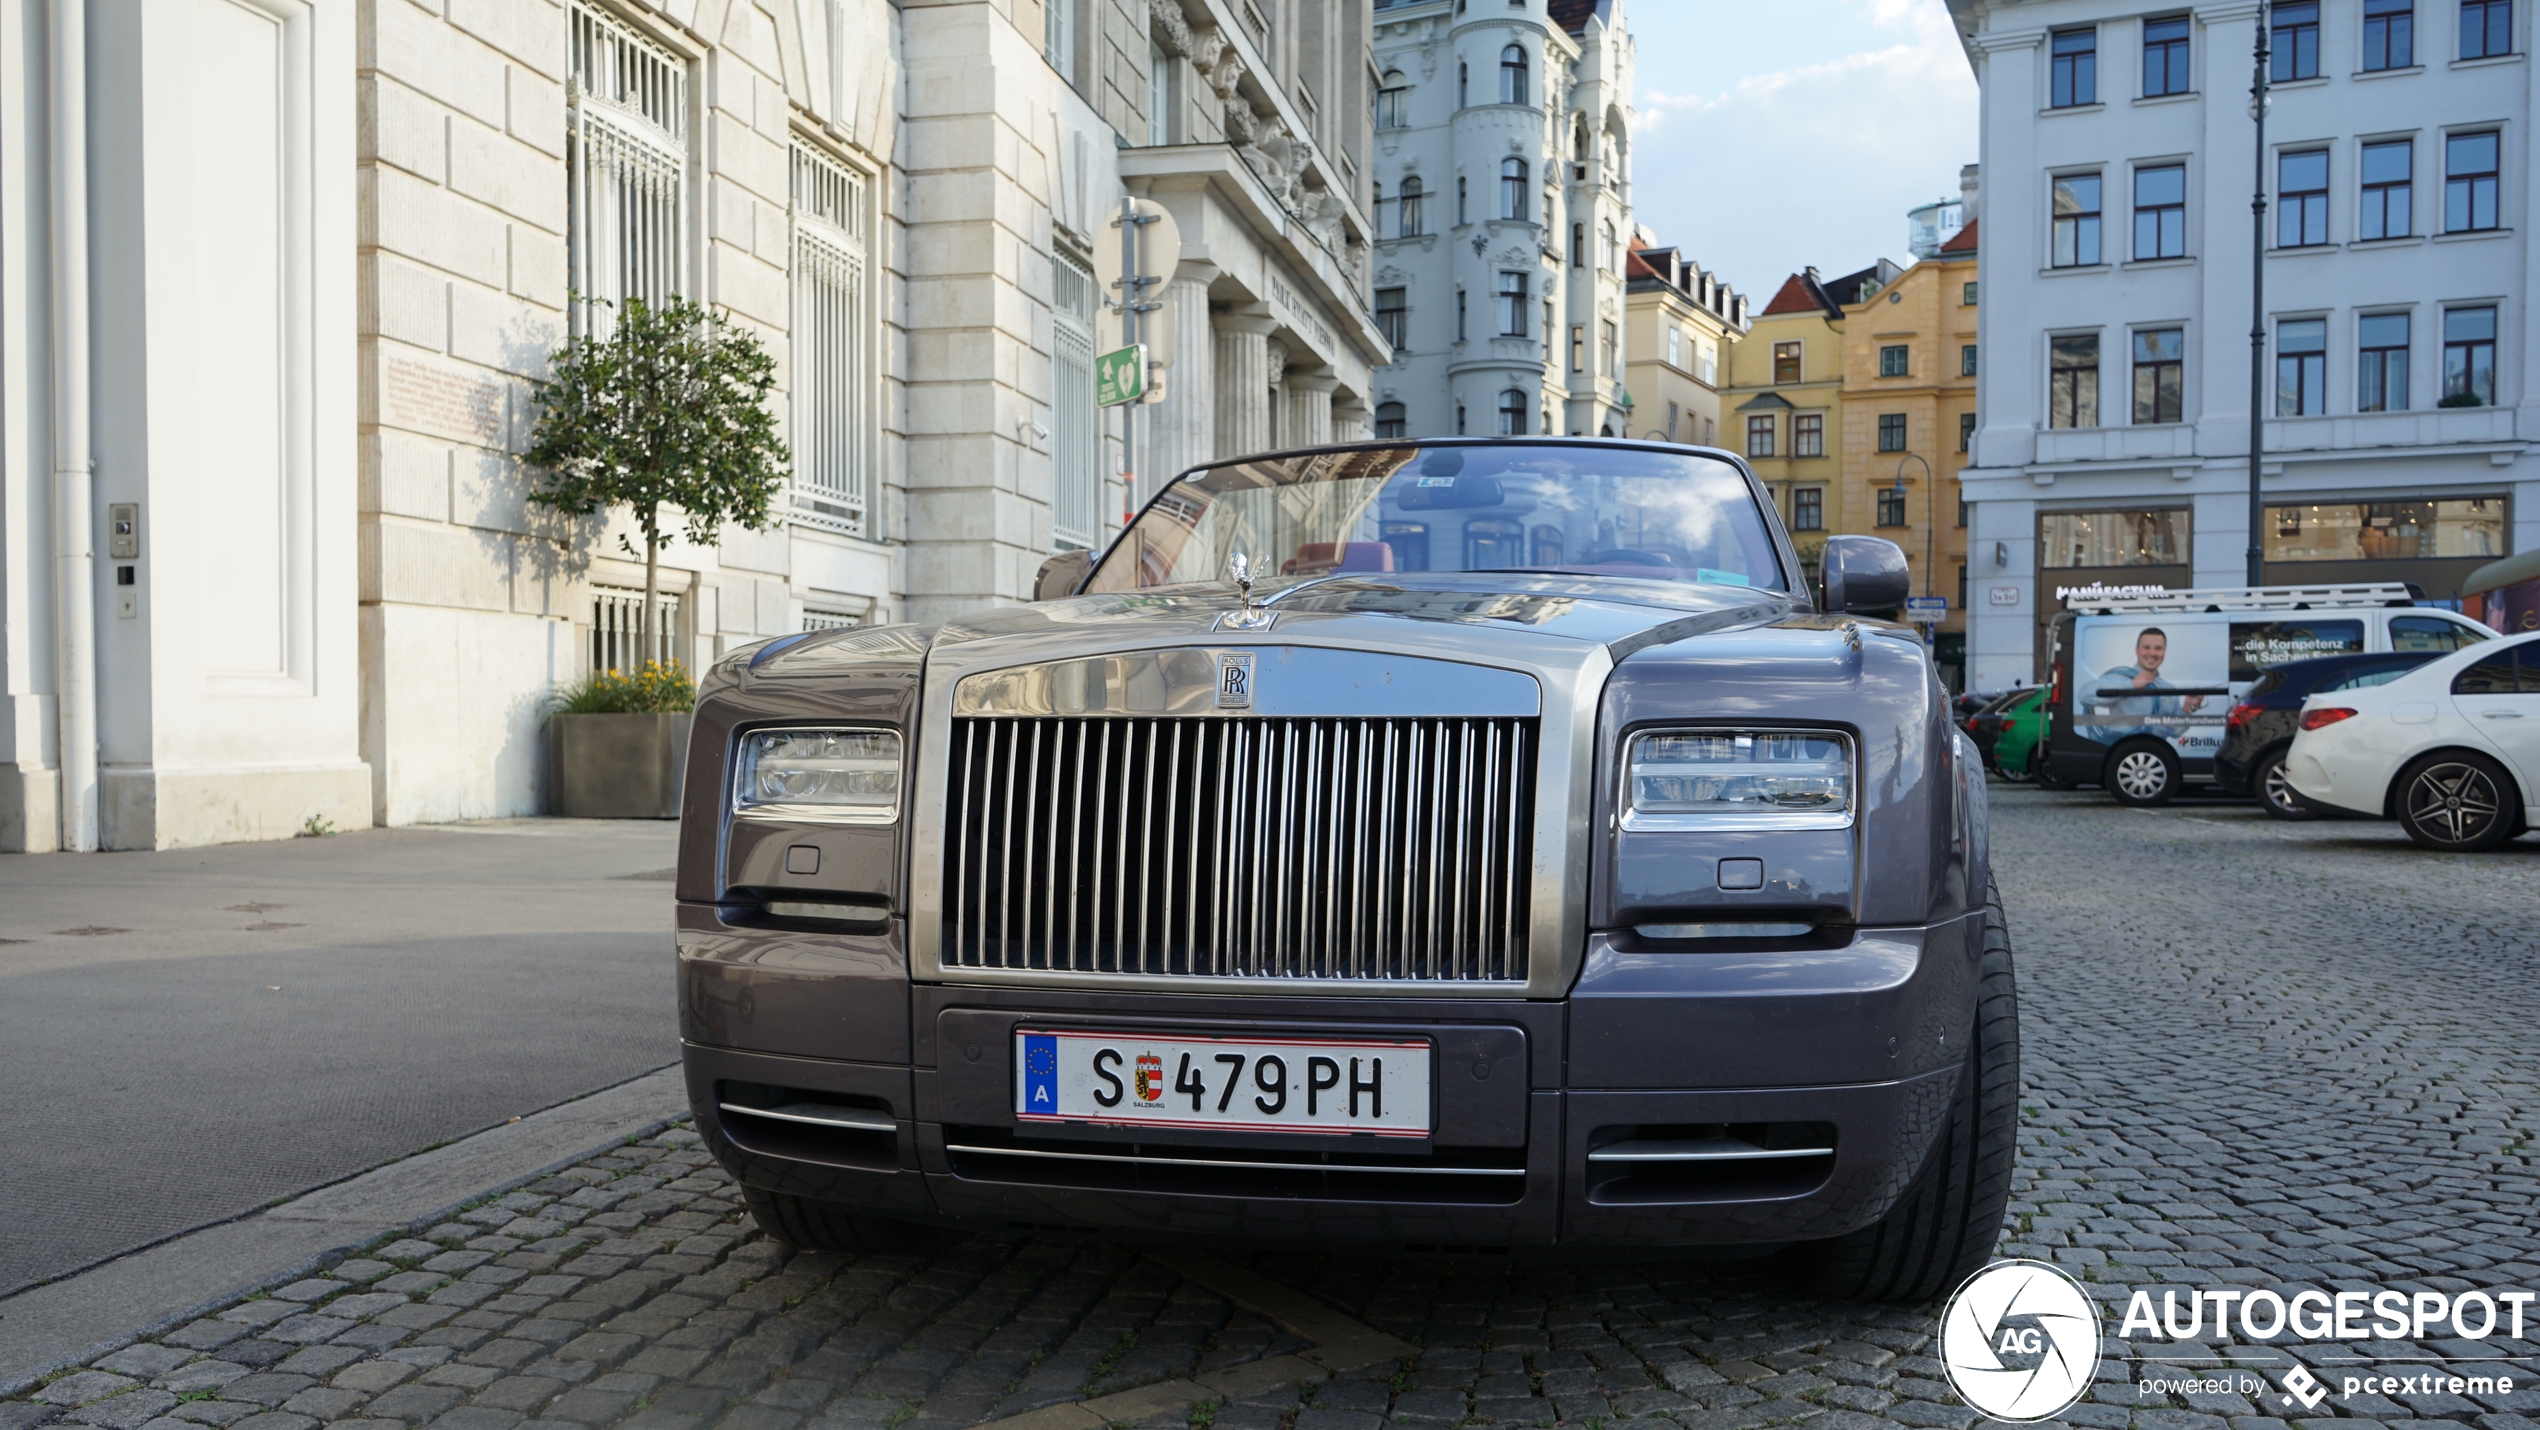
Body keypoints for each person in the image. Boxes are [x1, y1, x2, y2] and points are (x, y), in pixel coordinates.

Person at [2079, 627, 2204, 743]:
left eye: (2158, 648)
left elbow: (2175, 731)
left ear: (2164, 652)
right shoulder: (2121, 678)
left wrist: (2187, 709)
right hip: (2122, 750)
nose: (2152, 653)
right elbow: (2084, 696)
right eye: (2146, 647)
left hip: (2154, 753)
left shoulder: (2168, 689)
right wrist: (2132, 685)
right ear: (2137, 650)